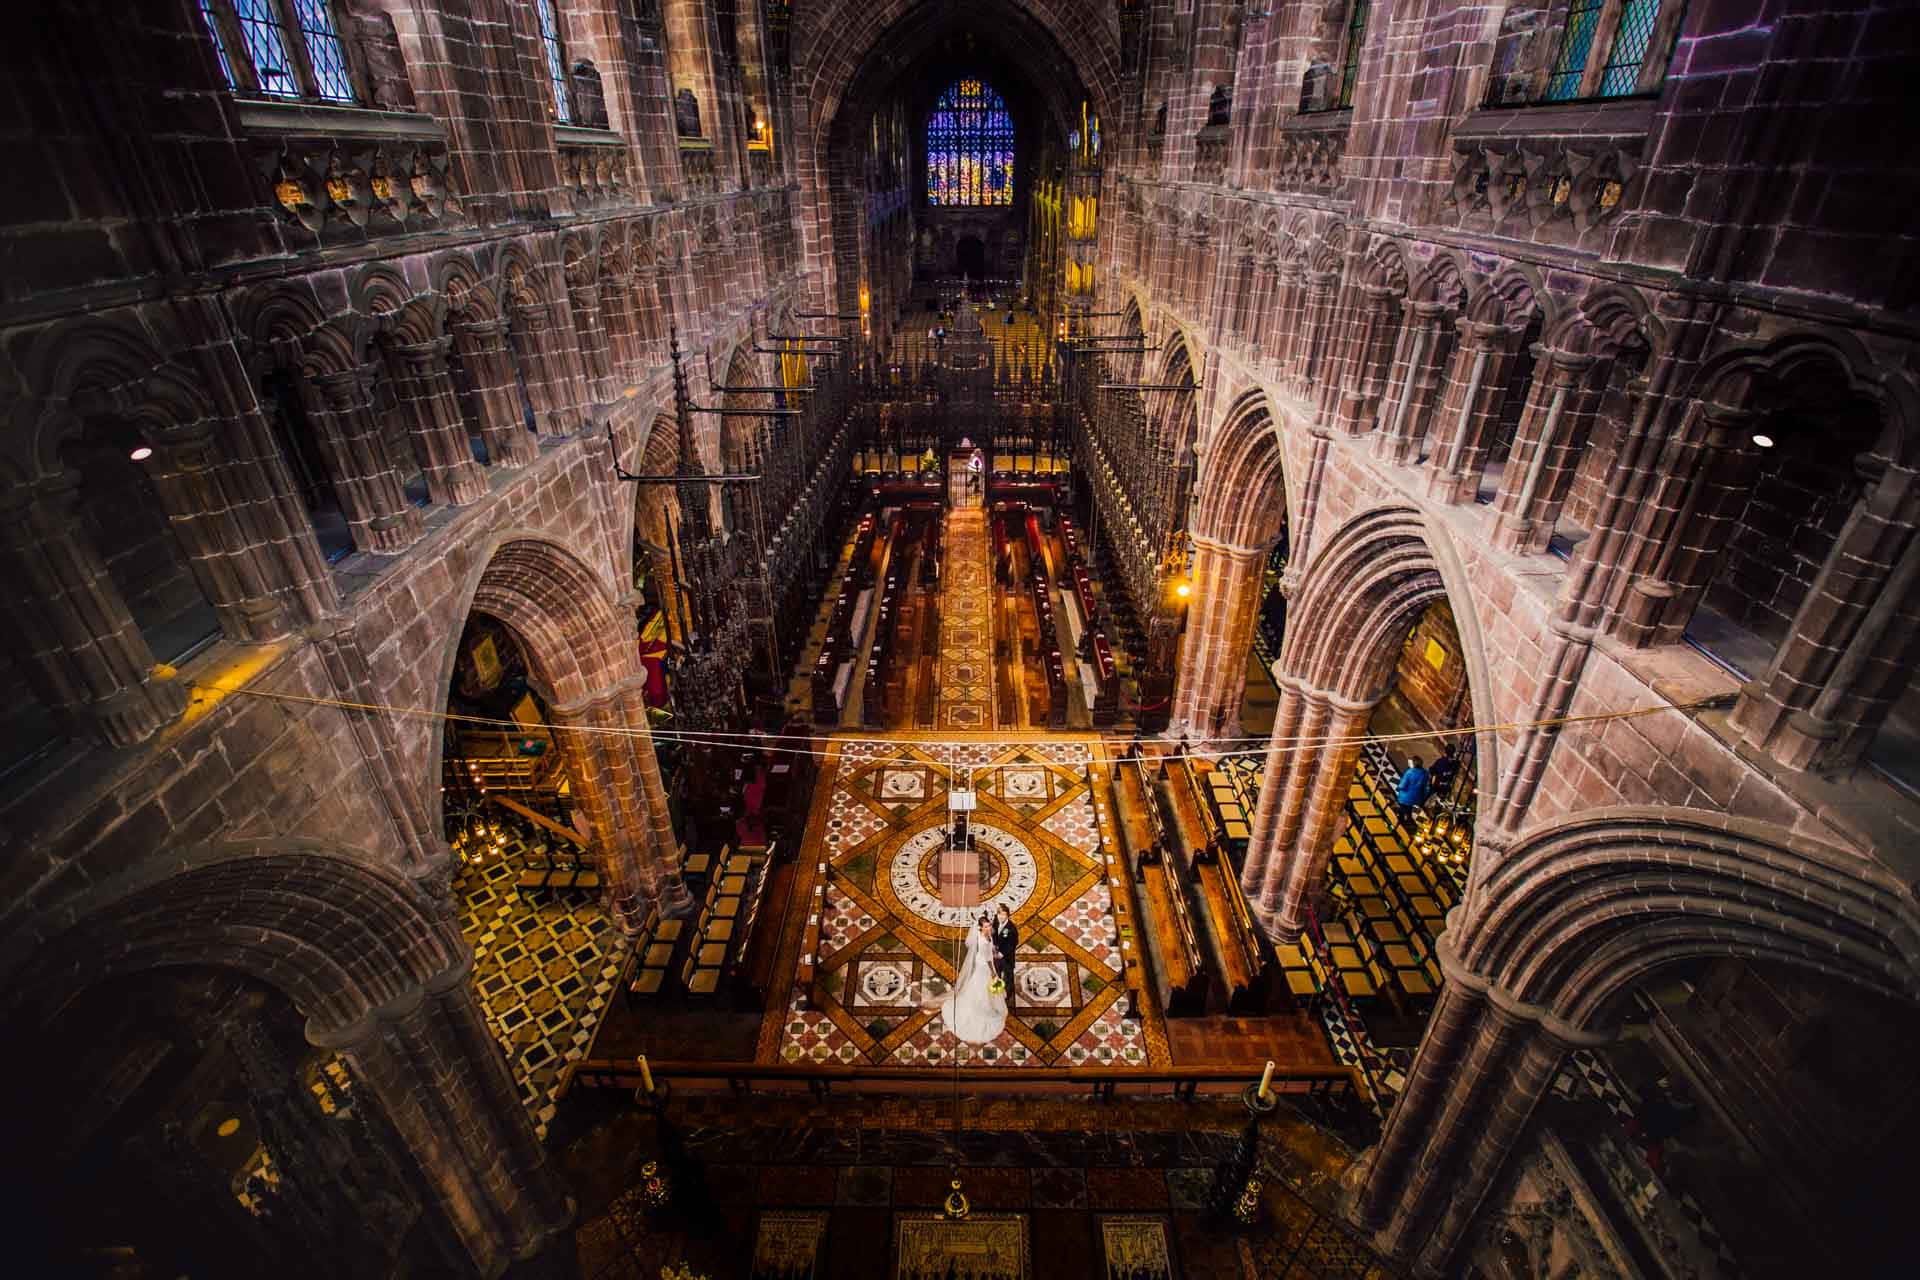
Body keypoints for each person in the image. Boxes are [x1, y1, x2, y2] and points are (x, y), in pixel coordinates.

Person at [938, 915, 1008, 1043]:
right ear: (980, 928)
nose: (989, 928)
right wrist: (993, 972)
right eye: (986, 926)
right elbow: (987, 959)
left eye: (989, 925)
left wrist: (994, 951)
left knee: (979, 986)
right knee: (983, 987)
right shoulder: (982, 941)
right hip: (983, 965)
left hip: (984, 961)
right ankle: (982, 1010)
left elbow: (990, 951)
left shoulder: (988, 935)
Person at [1395, 755, 1432, 824]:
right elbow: (1427, 787)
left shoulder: (1410, 772)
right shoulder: (1425, 773)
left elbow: (1403, 785)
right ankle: (1409, 820)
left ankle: (1401, 823)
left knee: (1402, 809)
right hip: (1416, 798)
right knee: (1409, 808)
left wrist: (1398, 788)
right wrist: (1423, 796)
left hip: (1405, 797)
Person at [992, 902, 1019, 990]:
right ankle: (998, 992)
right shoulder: (996, 921)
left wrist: (1002, 953)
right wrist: (994, 946)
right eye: (999, 914)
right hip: (996, 954)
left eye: (1004, 915)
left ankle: (1008, 994)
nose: (1001, 917)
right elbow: (994, 934)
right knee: (997, 973)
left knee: (1008, 976)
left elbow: (1013, 944)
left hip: (1007, 957)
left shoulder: (1011, 928)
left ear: (1008, 916)